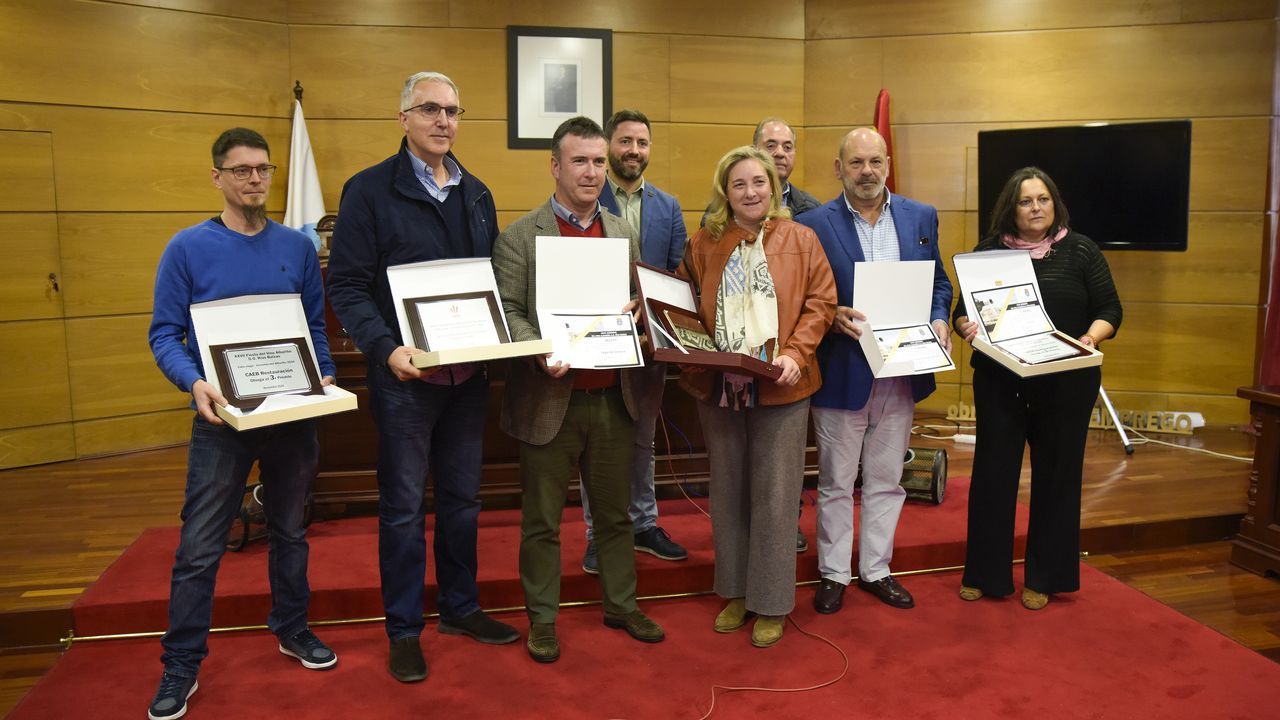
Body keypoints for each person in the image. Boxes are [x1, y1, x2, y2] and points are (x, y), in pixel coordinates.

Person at [326, 71, 518, 684]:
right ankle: (404, 630)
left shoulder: (478, 193)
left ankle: (460, 609)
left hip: (466, 378)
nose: (443, 120)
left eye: (453, 110)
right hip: (405, 380)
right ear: (403, 116)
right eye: (429, 109)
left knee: (463, 502)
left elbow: (487, 284)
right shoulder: (368, 191)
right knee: (404, 508)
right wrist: (385, 349)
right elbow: (348, 286)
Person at [146, 128, 337, 720]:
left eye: (263, 169)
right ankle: (181, 665)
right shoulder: (186, 248)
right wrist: (194, 381)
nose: (255, 179)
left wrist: (325, 378)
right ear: (218, 177)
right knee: (200, 546)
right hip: (220, 419)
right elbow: (163, 335)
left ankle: (292, 627)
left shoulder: (298, 248)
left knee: (290, 532)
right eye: (241, 170)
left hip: (290, 414)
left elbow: (313, 328)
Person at [492, 116, 666, 664]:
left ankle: (620, 603)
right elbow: (510, 313)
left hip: (614, 398)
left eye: (598, 161)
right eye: (580, 161)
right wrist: (539, 347)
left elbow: (632, 304)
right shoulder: (520, 235)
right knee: (542, 522)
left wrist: (639, 318)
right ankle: (543, 619)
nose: (592, 172)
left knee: (615, 516)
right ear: (555, 166)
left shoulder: (622, 232)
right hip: (549, 401)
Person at [680, 146, 836, 647]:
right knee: (728, 491)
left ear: (774, 186)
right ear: (725, 192)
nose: (750, 192)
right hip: (720, 385)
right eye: (739, 184)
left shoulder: (802, 238)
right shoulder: (704, 240)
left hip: (784, 386)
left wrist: (796, 353)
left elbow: (821, 303)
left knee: (774, 495)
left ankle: (771, 602)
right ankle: (734, 592)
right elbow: (681, 303)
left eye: (759, 182)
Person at [795, 128, 953, 614]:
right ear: (839, 168)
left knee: (887, 479)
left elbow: (939, 283)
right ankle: (834, 573)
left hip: (901, 371)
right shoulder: (813, 224)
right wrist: (832, 313)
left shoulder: (920, 216)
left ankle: (877, 570)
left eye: (875, 162)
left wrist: (940, 318)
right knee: (837, 481)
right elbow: (801, 295)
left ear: (887, 165)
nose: (867, 172)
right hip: (843, 368)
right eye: (857, 163)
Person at [952, 166, 1122, 610]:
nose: (1035, 208)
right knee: (993, 477)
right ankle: (986, 575)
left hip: (1067, 383)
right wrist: (965, 325)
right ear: (1011, 208)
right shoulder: (988, 252)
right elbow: (960, 312)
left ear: (1054, 203)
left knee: (1058, 478)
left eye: (1042, 199)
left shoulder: (1081, 250)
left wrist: (1088, 339)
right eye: (1026, 201)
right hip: (1001, 381)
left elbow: (1110, 310)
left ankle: (1046, 577)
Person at [578, 108, 689, 575]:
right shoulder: (585, 195)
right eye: (624, 142)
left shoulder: (667, 206)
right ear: (608, 146)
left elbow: (681, 275)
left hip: (648, 342)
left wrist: (656, 320)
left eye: (642, 143)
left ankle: (643, 524)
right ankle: (597, 535)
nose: (633, 151)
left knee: (642, 438)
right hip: (598, 339)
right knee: (598, 440)